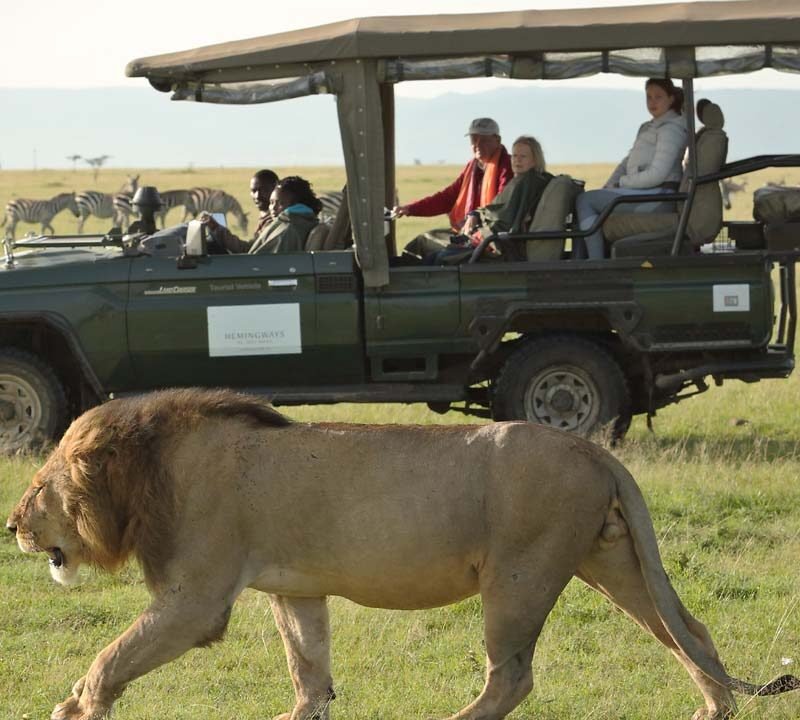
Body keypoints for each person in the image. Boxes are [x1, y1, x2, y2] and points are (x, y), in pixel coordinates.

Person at [574, 77, 688, 259]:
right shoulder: (647, 127)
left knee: (585, 201)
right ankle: (581, 261)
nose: (652, 102)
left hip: (659, 196)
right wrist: (609, 185)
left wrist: (623, 182)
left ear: (671, 99)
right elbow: (627, 162)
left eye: (658, 97)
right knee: (584, 201)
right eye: (648, 97)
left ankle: (595, 263)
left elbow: (658, 174)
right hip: (643, 192)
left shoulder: (671, 130)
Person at [424, 135, 553, 264]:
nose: (517, 161)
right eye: (514, 156)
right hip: (499, 240)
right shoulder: (532, 179)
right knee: (440, 254)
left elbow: (504, 217)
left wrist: (478, 233)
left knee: (438, 258)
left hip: (501, 246)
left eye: (523, 157)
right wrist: (476, 215)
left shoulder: (526, 182)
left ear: (535, 160)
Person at [396, 117, 513, 256]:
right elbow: (448, 198)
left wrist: (476, 214)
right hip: (468, 233)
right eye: (473, 140)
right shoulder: (473, 167)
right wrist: (410, 209)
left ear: (497, 140)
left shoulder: (507, 167)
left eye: (484, 140)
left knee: (428, 248)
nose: (478, 145)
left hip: (487, 238)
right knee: (418, 244)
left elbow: (501, 205)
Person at [206, 175, 322, 254]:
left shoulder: (287, 228)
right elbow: (252, 249)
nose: (273, 208)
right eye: (271, 203)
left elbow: (257, 260)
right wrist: (218, 229)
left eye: (280, 203)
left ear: (295, 204)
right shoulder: (291, 223)